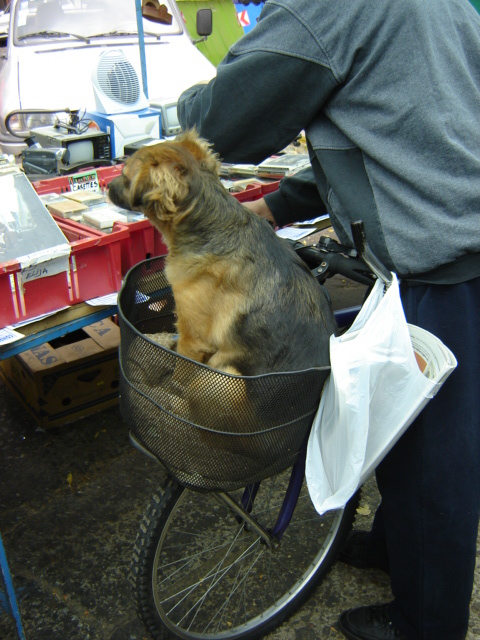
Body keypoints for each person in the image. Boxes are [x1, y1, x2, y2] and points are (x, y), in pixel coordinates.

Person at [177, 1, 480, 639]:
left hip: (440, 269)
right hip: (457, 245)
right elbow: (392, 126)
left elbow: (222, 125)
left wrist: (182, 103)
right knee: (404, 434)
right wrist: (282, 202)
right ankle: (396, 551)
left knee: (432, 463)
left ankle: (425, 625)